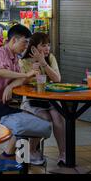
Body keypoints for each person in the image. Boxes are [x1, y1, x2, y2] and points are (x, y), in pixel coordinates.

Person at [0, 24, 45, 165]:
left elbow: (21, 79)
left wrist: (11, 85)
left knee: (28, 121)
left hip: (0, 106)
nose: (25, 46)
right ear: (13, 40)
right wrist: (25, 74)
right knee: (26, 121)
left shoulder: (14, 58)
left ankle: (19, 159)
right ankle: (11, 156)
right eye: (24, 42)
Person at [20, 32, 65, 166]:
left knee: (58, 117)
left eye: (48, 45)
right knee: (44, 119)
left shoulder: (50, 58)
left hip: (50, 99)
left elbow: (57, 79)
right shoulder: (24, 61)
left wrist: (44, 63)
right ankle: (32, 150)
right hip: (30, 100)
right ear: (33, 48)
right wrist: (32, 73)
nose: (47, 49)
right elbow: (21, 82)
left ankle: (63, 153)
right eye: (43, 45)